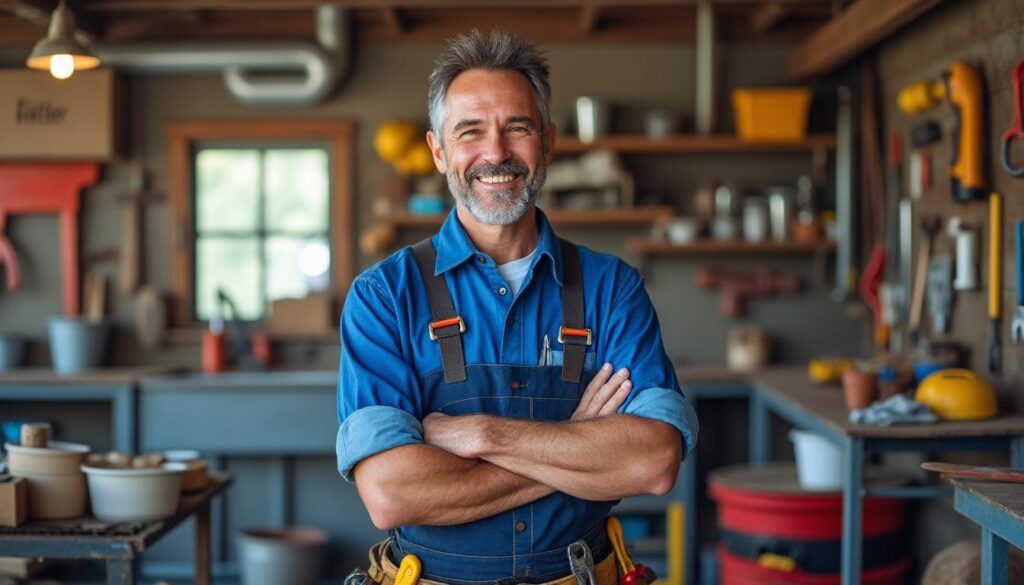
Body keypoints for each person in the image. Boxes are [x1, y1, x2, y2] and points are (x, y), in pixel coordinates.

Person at [337, 29, 698, 585]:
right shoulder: (384, 296)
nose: (496, 153)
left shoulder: (612, 288)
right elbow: (390, 494)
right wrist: (579, 440)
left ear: (548, 142)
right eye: (470, 132)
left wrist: (484, 435)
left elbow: (652, 463)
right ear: (439, 151)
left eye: (517, 128)